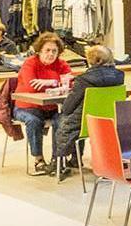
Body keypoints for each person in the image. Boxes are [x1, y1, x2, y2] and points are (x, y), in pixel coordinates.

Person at [54, 45, 123, 180]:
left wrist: (64, 110)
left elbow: (69, 106)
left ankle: (59, 162)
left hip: (86, 122)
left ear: (93, 61)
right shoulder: (119, 77)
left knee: (61, 120)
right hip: (110, 120)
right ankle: (76, 159)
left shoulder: (84, 80)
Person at [15, 32, 73, 175]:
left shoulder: (62, 64)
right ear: (39, 51)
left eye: (54, 51)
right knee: (33, 121)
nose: (51, 54)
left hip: (52, 107)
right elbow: (31, 86)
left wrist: (51, 82)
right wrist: (57, 83)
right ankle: (38, 159)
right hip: (27, 107)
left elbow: (71, 84)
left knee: (62, 120)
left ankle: (57, 159)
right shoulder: (30, 63)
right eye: (47, 50)